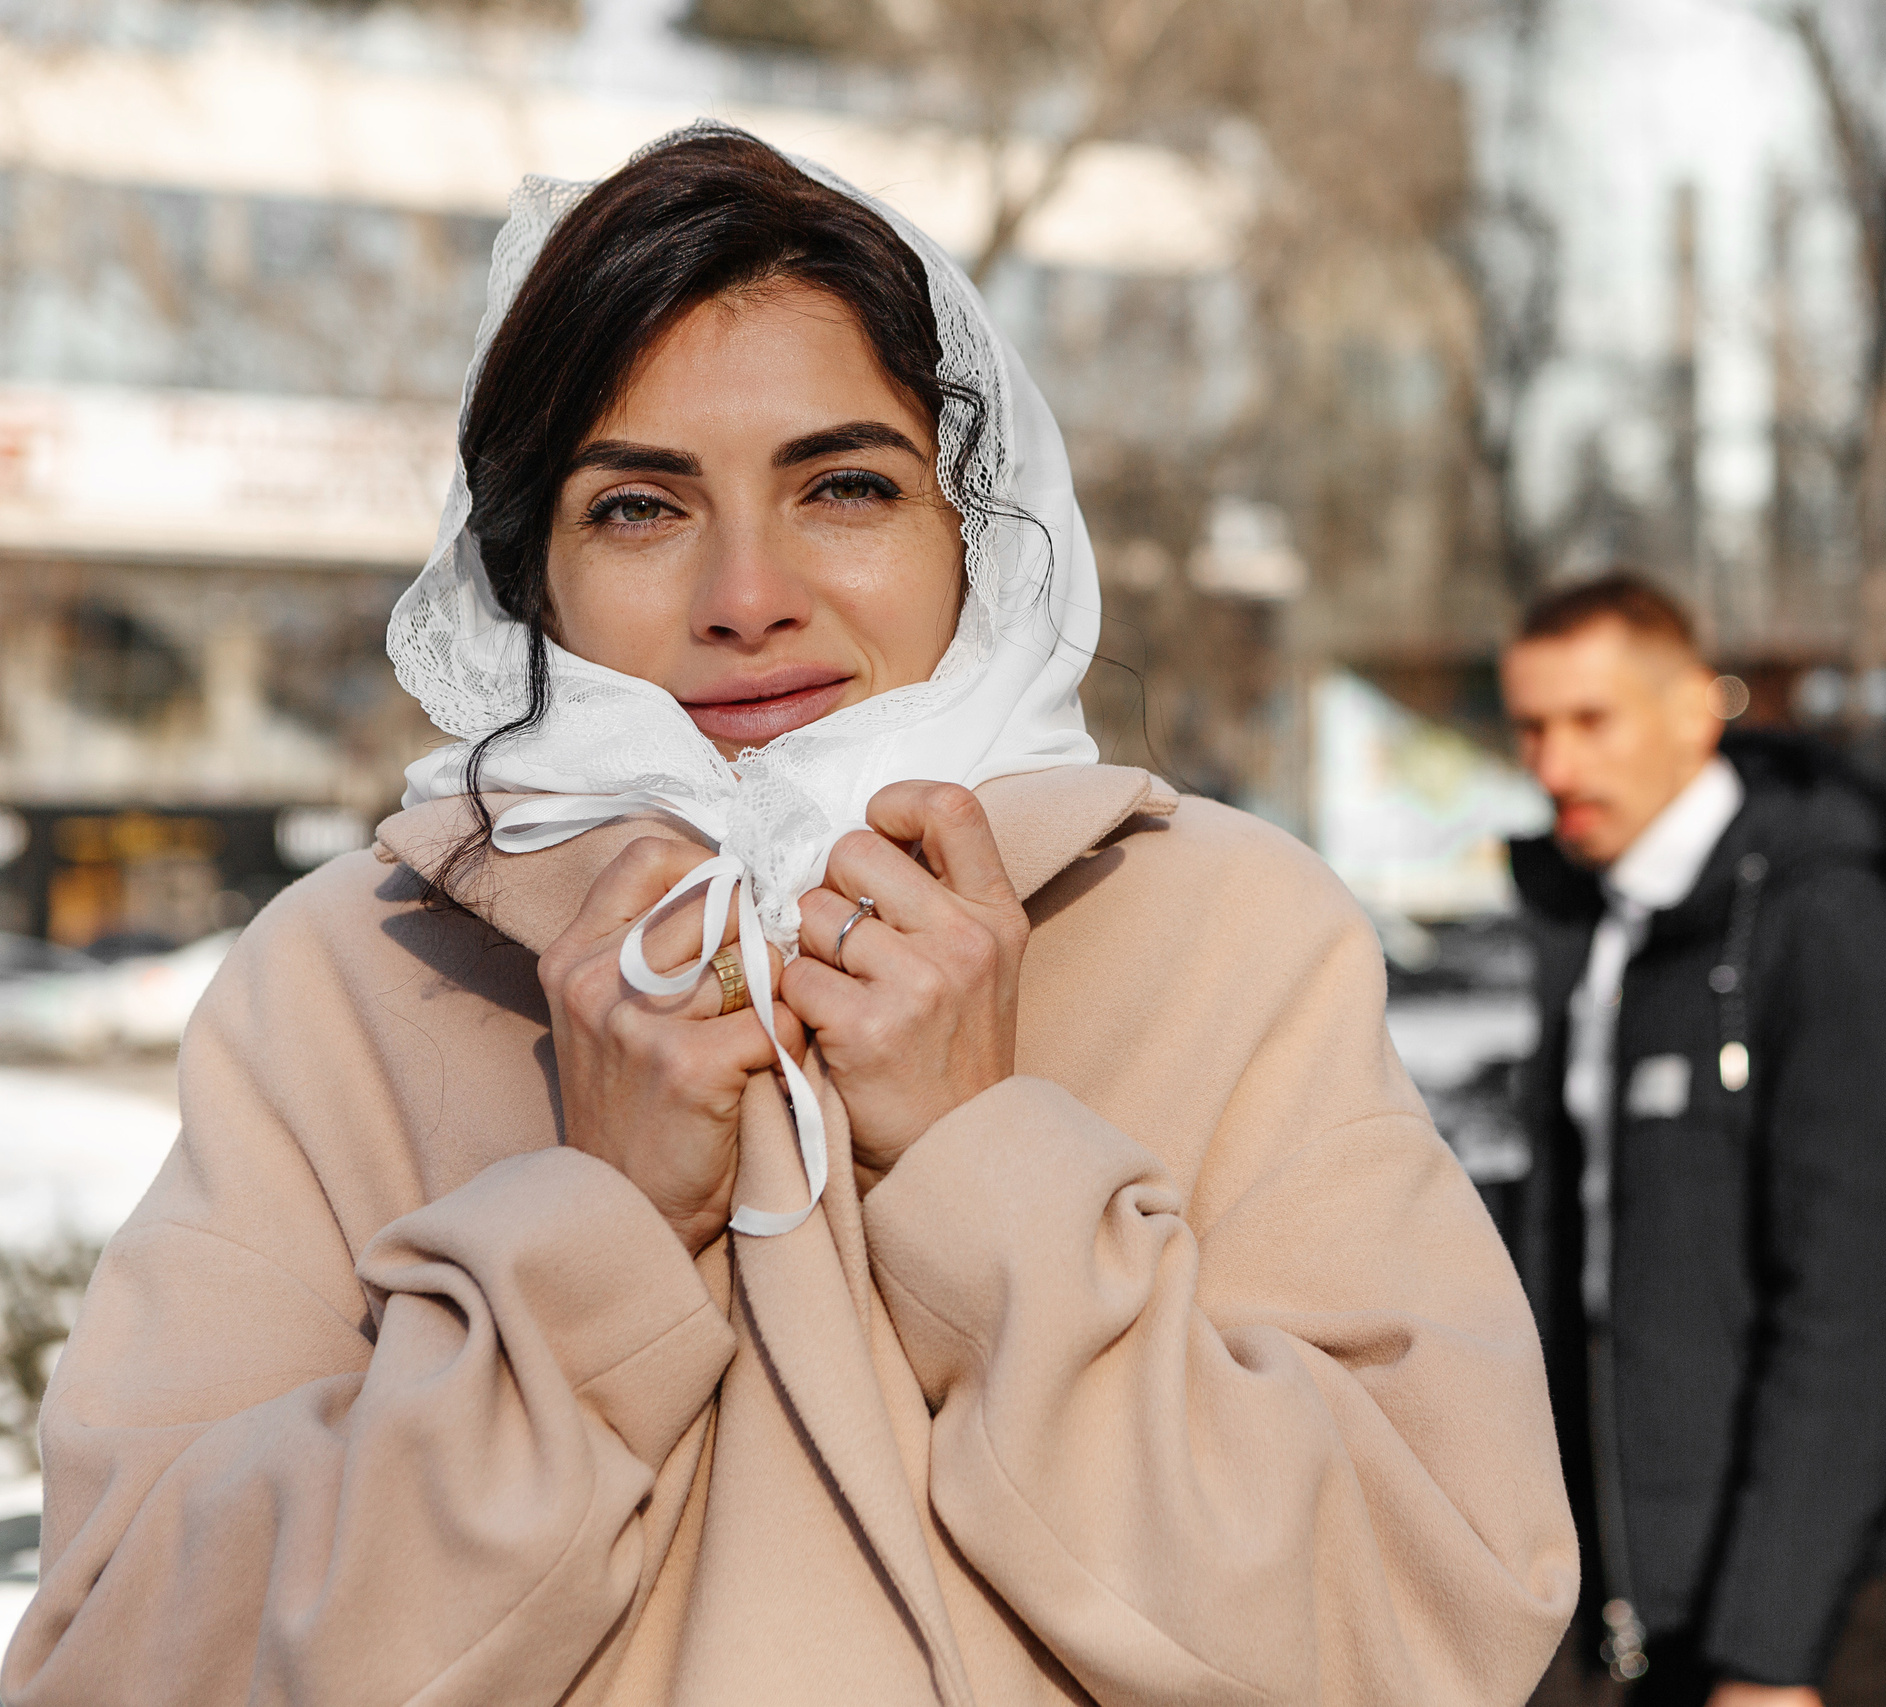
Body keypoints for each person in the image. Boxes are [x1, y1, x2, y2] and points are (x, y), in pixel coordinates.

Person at [3, 125, 1577, 1707]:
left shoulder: (1230, 937)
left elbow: (1427, 1628)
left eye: (843, 485)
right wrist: (586, 1246)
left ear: (978, 527)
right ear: (526, 571)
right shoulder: (355, 975)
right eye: (637, 506)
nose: (747, 594)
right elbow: (129, 1656)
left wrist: (989, 1169)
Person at [1499, 576, 1886, 1707]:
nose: (1555, 767)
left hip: (1788, 1606)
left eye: (1591, 721)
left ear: (1694, 714)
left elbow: (1866, 1312)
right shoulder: (1597, 921)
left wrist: (1772, 1651)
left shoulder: (1831, 926)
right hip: (1615, 1580)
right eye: (1530, 728)